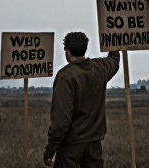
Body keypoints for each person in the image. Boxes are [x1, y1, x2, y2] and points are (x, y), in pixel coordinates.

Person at [43, 32, 120, 168]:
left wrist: (50, 149)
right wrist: (112, 35)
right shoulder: (99, 68)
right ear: (85, 48)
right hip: (94, 145)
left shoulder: (65, 76)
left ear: (67, 51)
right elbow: (114, 60)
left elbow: (61, 120)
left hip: (70, 148)